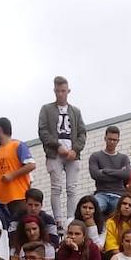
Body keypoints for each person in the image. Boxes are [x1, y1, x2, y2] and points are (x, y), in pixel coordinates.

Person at [37, 76, 86, 225]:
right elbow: (43, 131)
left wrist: (75, 150)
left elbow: (82, 133)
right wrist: (57, 146)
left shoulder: (75, 111)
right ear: (54, 90)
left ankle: (70, 219)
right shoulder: (46, 109)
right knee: (56, 188)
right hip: (54, 154)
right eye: (57, 91)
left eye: (63, 91)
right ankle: (58, 220)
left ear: (68, 91)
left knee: (72, 188)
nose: (60, 94)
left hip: (72, 155)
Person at [0, 117, 36, 217]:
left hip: (19, 197)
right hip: (1, 201)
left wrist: (12, 175)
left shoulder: (18, 145)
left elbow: (31, 165)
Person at [88, 125, 131, 218]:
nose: (112, 142)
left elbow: (127, 174)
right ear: (105, 138)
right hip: (101, 194)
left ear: (118, 141)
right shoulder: (95, 156)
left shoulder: (123, 158)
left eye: (114, 140)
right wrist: (118, 173)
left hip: (118, 195)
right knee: (92, 209)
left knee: (124, 211)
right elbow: (95, 175)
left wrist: (105, 171)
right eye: (110, 139)